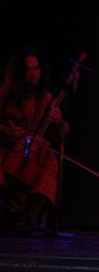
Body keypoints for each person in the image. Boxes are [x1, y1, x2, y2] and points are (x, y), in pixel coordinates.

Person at [0, 50, 68, 234]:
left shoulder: (47, 98)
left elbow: (60, 134)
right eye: (28, 69)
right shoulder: (5, 95)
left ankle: (32, 215)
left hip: (37, 152)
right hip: (9, 148)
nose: (33, 74)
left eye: (37, 69)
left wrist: (58, 123)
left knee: (50, 163)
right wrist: (6, 131)